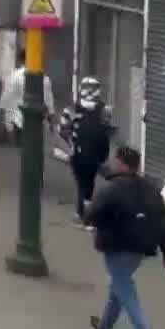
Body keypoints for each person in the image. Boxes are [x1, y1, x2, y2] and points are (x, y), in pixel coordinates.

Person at [86, 145, 165, 329]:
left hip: (116, 246)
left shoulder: (111, 188)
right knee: (119, 288)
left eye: (114, 160)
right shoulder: (151, 189)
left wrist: (93, 220)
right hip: (140, 249)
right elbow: (164, 224)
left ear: (121, 163)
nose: (111, 163)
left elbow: (91, 214)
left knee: (126, 294)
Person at [63, 77, 114, 225]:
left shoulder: (71, 109)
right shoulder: (105, 110)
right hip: (96, 154)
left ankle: (83, 213)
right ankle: (85, 211)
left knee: (82, 183)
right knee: (89, 182)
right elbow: (106, 131)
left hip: (78, 154)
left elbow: (63, 129)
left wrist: (71, 141)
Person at [0, 51, 54, 145]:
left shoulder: (13, 76)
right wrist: (51, 119)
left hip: (17, 118)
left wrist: (4, 118)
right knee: (34, 145)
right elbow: (48, 100)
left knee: (20, 147)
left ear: (21, 60)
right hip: (37, 120)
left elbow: (6, 97)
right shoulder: (43, 77)